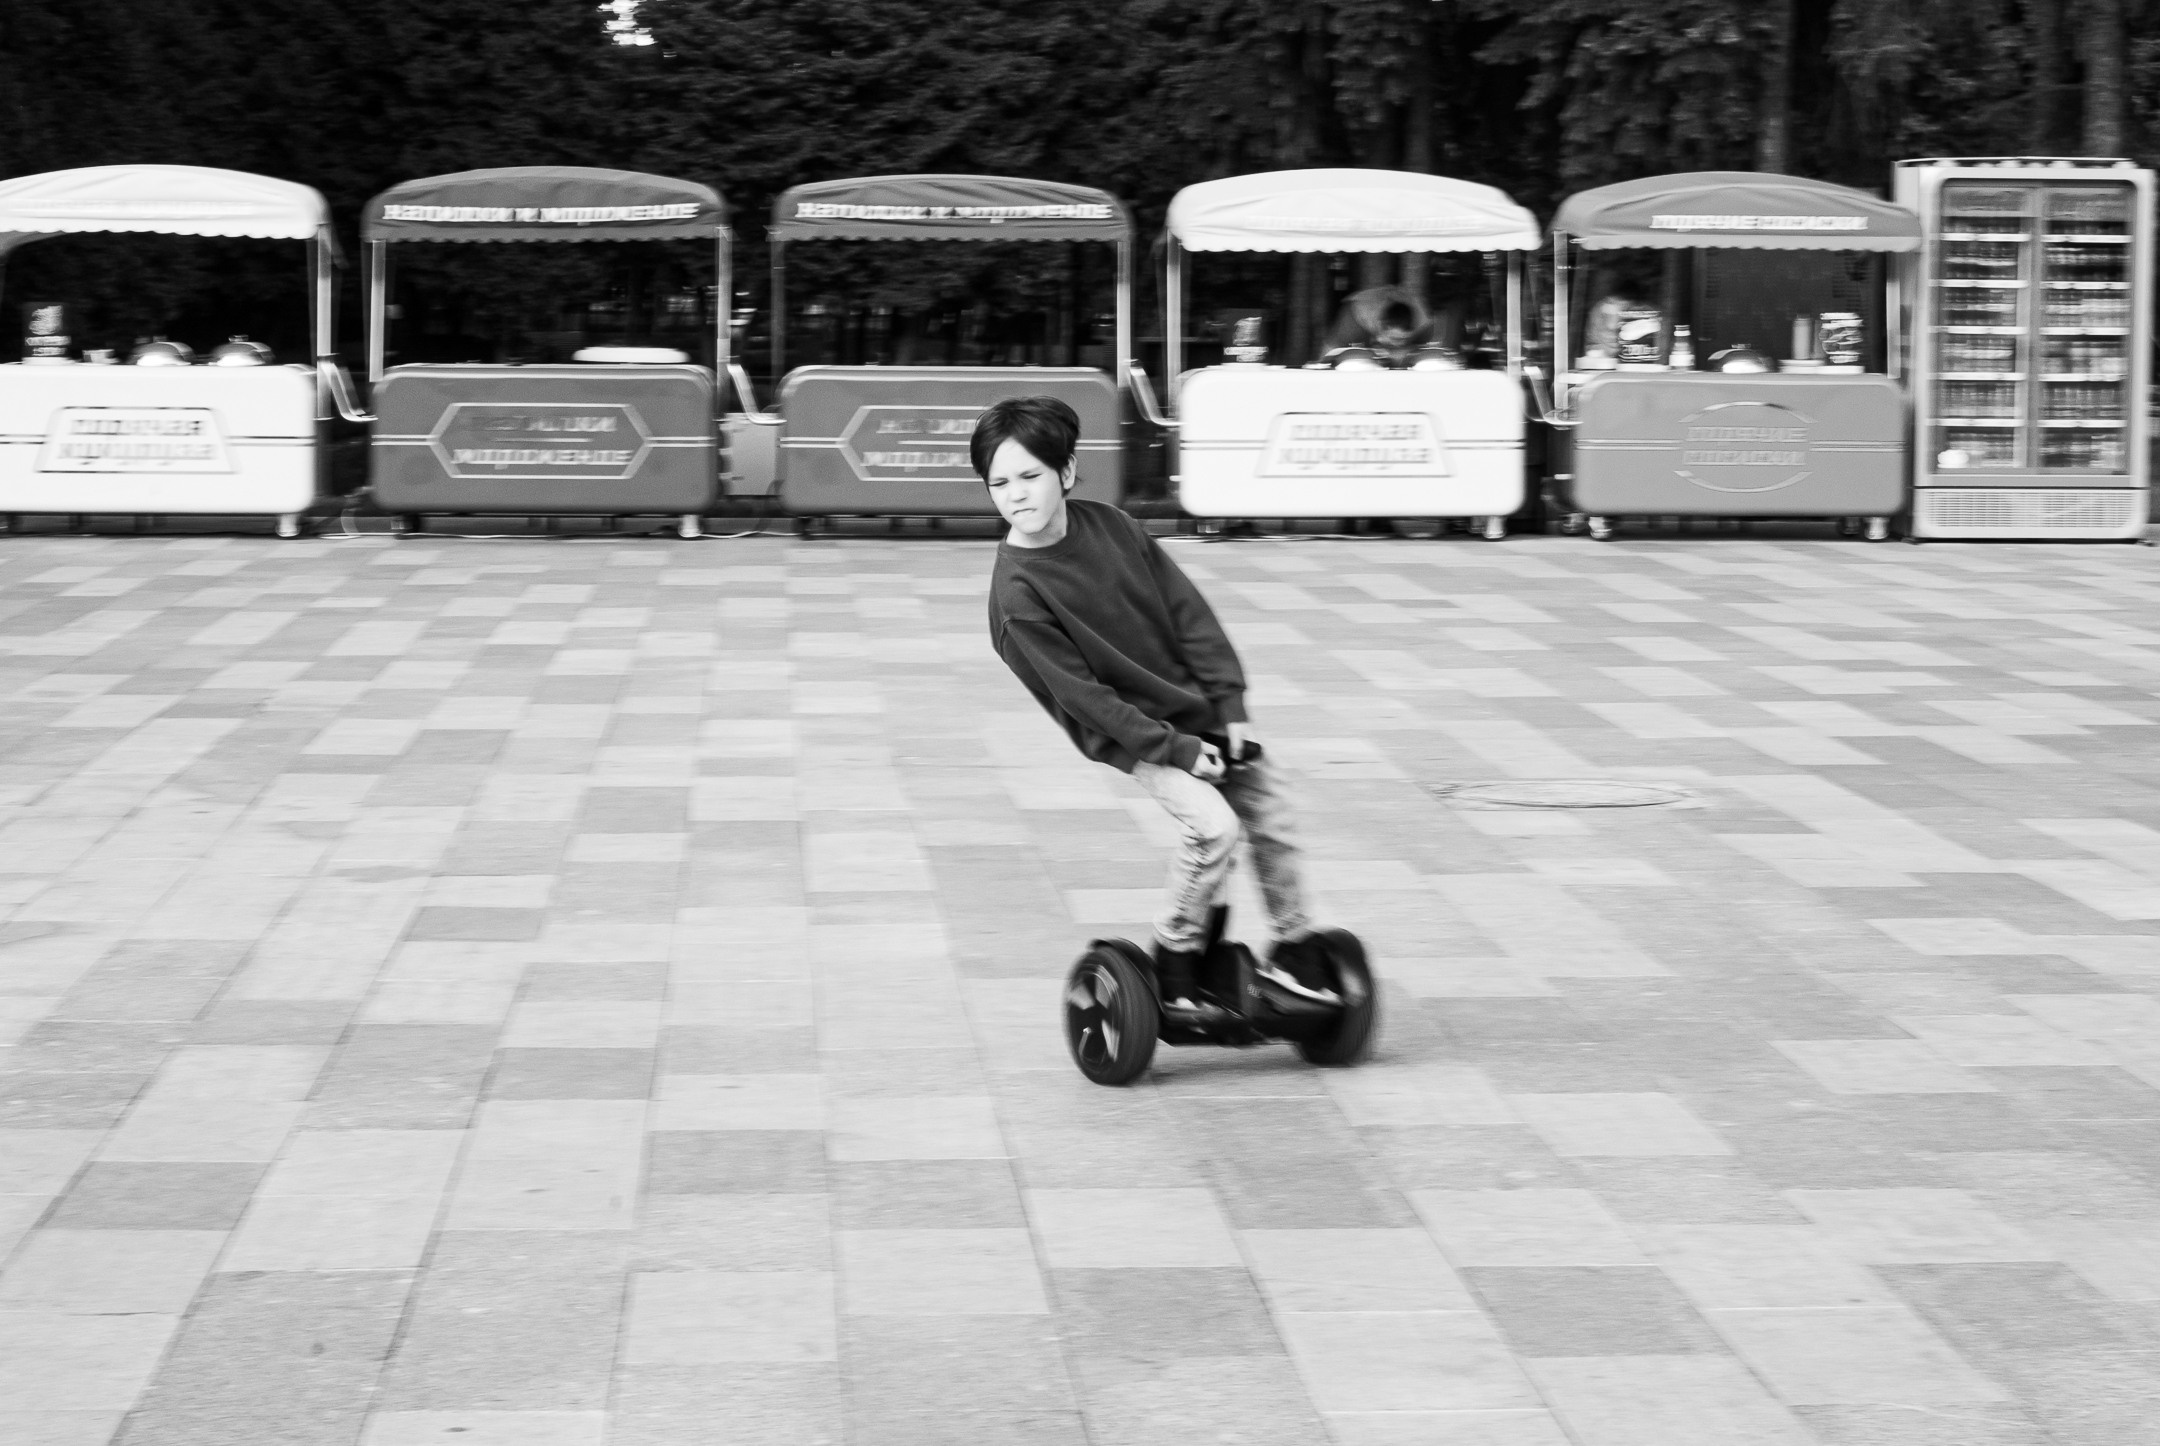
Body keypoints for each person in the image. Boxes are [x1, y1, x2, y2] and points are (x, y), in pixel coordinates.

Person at [974, 396, 1333, 1022]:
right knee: (1214, 829)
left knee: (1271, 809)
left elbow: (1188, 614)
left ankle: (1295, 947)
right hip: (1136, 736)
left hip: (1199, 713)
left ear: (1065, 472)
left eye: (1030, 476)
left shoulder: (1112, 527)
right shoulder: (1017, 596)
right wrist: (1179, 752)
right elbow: (1085, 700)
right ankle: (1175, 955)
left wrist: (1231, 706)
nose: (1016, 495)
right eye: (999, 483)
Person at [1320, 285, 1459, 370]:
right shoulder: (1354, 318)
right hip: (1362, 308)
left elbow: (1433, 356)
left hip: (1409, 305)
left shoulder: (1425, 323)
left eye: (1402, 339)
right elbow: (1329, 349)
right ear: (1381, 328)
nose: (1398, 343)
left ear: (1412, 332)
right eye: (1393, 338)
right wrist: (1320, 368)